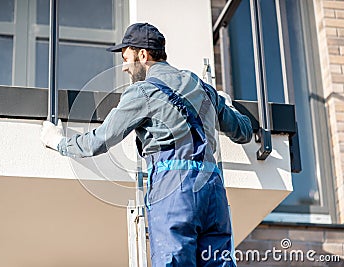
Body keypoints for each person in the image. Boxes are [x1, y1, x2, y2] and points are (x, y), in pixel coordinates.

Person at [41, 22, 252, 267]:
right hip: (213, 191)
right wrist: (225, 103)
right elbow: (244, 131)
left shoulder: (142, 92)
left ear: (143, 55)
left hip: (174, 190)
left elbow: (98, 141)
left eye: (126, 58)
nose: (123, 68)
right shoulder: (202, 87)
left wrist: (57, 141)